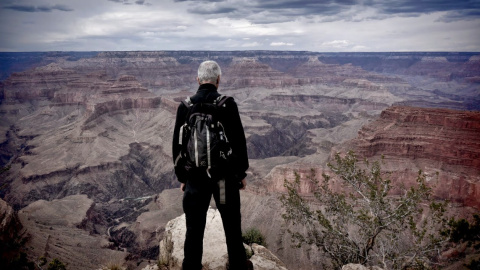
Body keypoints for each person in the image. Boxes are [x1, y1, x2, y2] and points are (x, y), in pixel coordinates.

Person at [172, 60, 250, 270]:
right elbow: (238, 141)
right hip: (223, 179)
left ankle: (191, 267)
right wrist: (241, 173)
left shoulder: (185, 106)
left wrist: (182, 178)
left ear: (198, 80)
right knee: (232, 226)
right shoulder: (226, 104)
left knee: (194, 229)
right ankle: (238, 266)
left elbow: (177, 147)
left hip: (195, 180)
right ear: (218, 80)